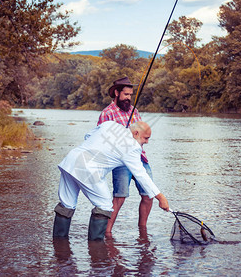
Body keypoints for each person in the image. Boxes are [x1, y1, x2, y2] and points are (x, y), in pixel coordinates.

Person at [52, 120, 169, 241]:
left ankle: (59, 249)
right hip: (89, 170)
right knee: (105, 206)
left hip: (71, 160)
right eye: (146, 138)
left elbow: (87, 136)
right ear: (136, 133)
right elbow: (141, 175)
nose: (147, 142)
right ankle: (97, 251)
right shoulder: (132, 147)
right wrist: (161, 197)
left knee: (67, 204)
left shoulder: (110, 124)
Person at [97, 76, 153, 234]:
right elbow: (101, 141)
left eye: (130, 95)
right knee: (120, 197)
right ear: (116, 93)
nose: (129, 98)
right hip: (120, 162)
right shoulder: (106, 114)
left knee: (149, 194)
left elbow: (141, 134)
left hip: (140, 159)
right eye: (126, 95)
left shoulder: (134, 111)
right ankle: (107, 232)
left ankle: (143, 231)